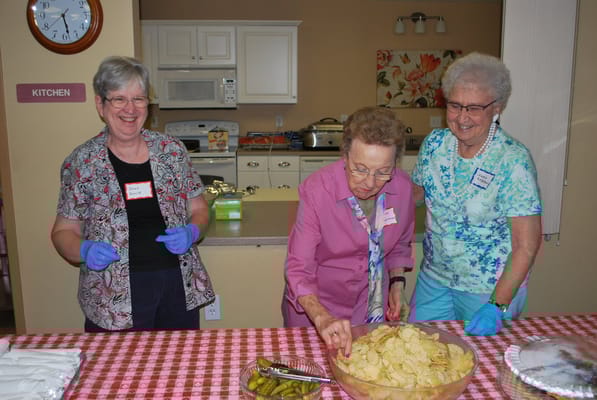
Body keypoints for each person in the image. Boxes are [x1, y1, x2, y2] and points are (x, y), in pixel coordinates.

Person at [51, 56, 214, 332]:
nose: (130, 109)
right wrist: (83, 249)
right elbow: (62, 231)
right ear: (100, 105)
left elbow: (199, 210)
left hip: (177, 286)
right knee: (116, 372)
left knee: (178, 368)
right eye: (119, 99)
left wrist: (193, 232)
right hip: (111, 295)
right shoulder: (82, 162)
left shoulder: (172, 152)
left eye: (139, 99)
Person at [408, 52, 542, 336]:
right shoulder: (434, 144)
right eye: (455, 105)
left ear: (497, 107)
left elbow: (525, 246)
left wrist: (497, 304)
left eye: (474, 108)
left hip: (488, 290)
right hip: (434, 280)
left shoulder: (513, 160)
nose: (462, 117)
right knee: (417, 355)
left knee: (483, 367)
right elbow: (414, 195)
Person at [282, 106, 415, 355]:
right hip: (317, 307)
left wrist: (397, 284)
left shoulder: (403, 188)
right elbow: (299, 268)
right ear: (344, 156)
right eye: (360, 168)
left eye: (383, 171)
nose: (369, 183)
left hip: (370, 306)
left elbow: (400, 244)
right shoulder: (317, 190)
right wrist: (322, 317)